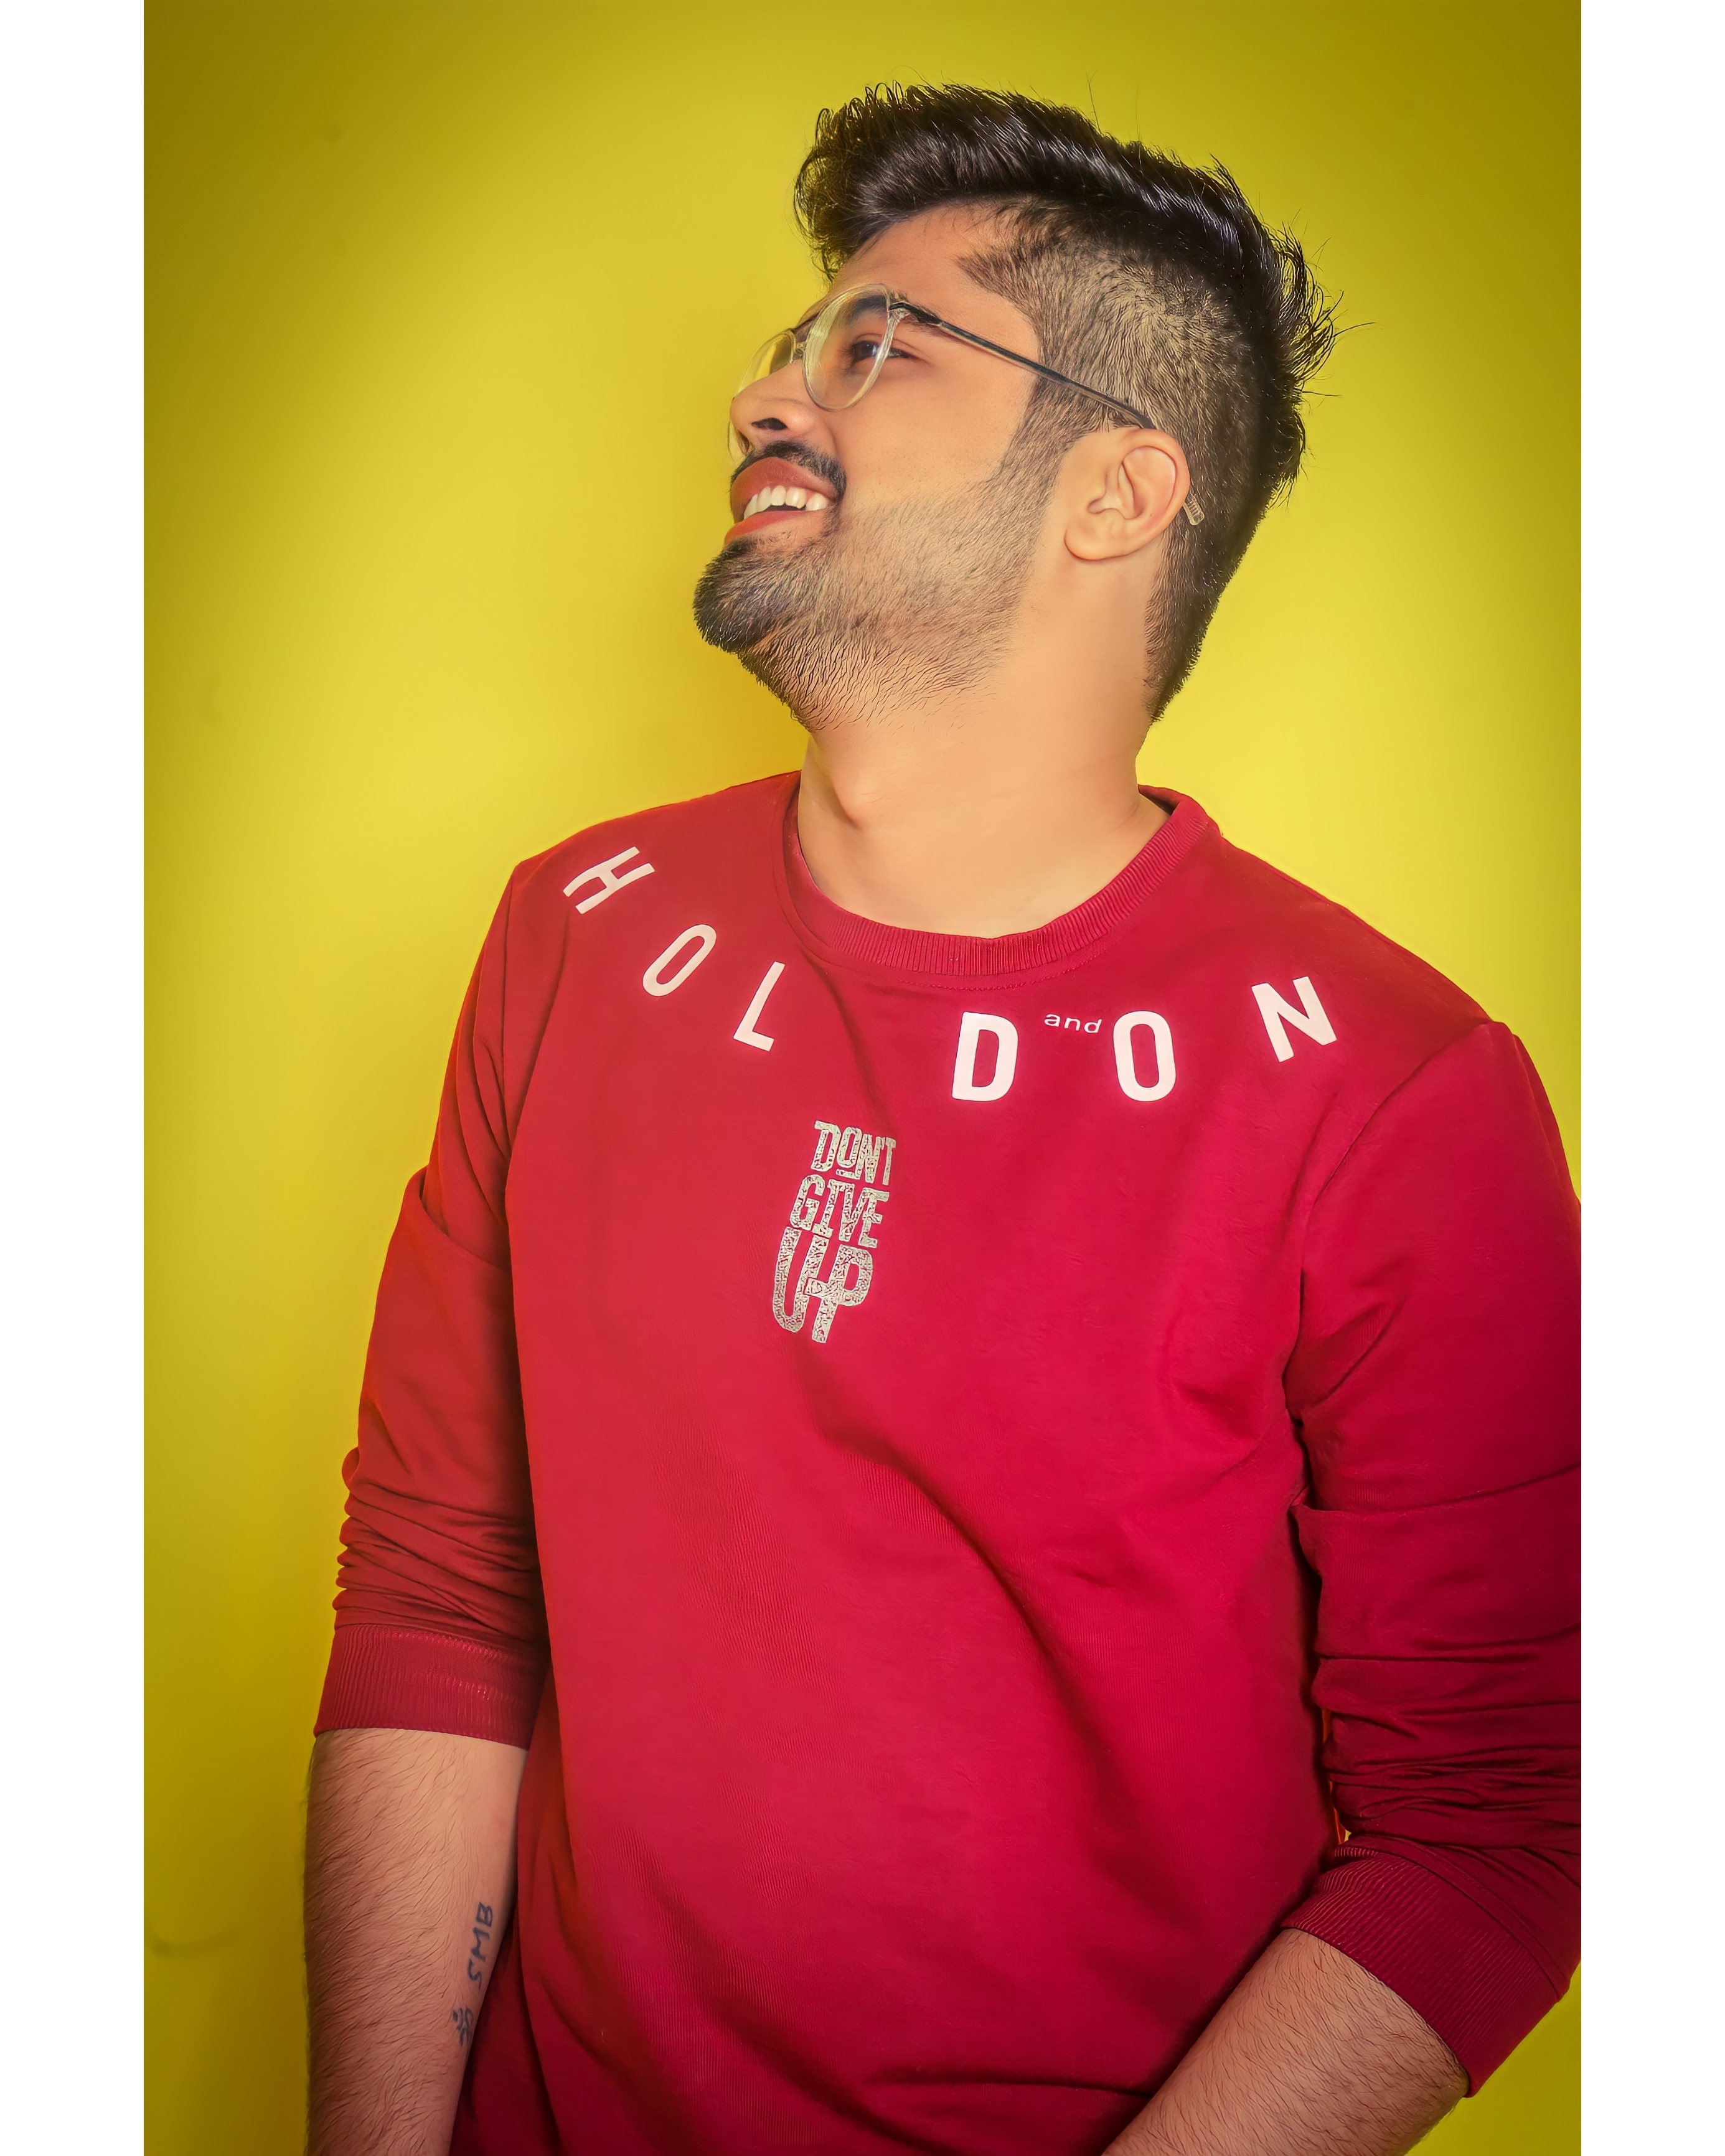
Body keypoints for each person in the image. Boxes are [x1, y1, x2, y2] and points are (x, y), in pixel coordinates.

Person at [304, 83, 1579, 2156]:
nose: (763, 395)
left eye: (873, 347)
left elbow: (1496, 1831)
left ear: (1116, 492)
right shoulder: (574, 928)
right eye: (793, 343)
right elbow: (446, 1601)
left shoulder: (1392, 1092)